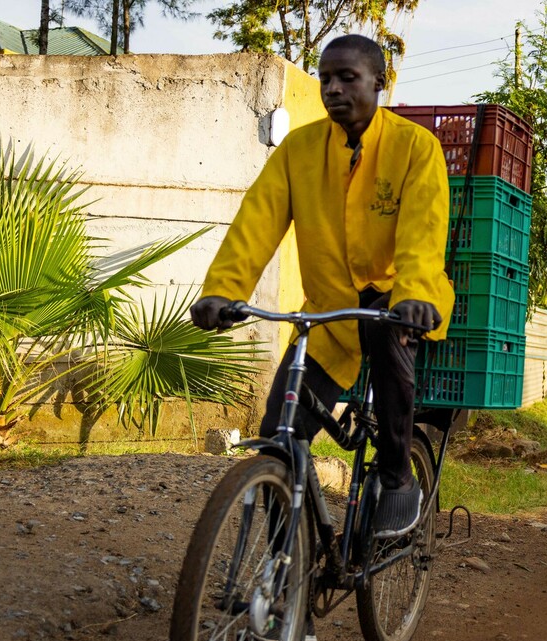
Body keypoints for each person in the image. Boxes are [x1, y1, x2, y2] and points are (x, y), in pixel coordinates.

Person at [190, 34, 454, 540]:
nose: (332, 88)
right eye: (326, 78)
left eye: (346, 77)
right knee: (277, 438)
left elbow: (423, 232)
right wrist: (223, 290)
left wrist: (416, 292)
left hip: (399, 301)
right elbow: (256, 222)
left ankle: (397, 472)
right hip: (328, 314)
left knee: (389, 331)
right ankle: (288, 568)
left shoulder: (415, 148)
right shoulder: (298, 151)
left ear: (379, 83)